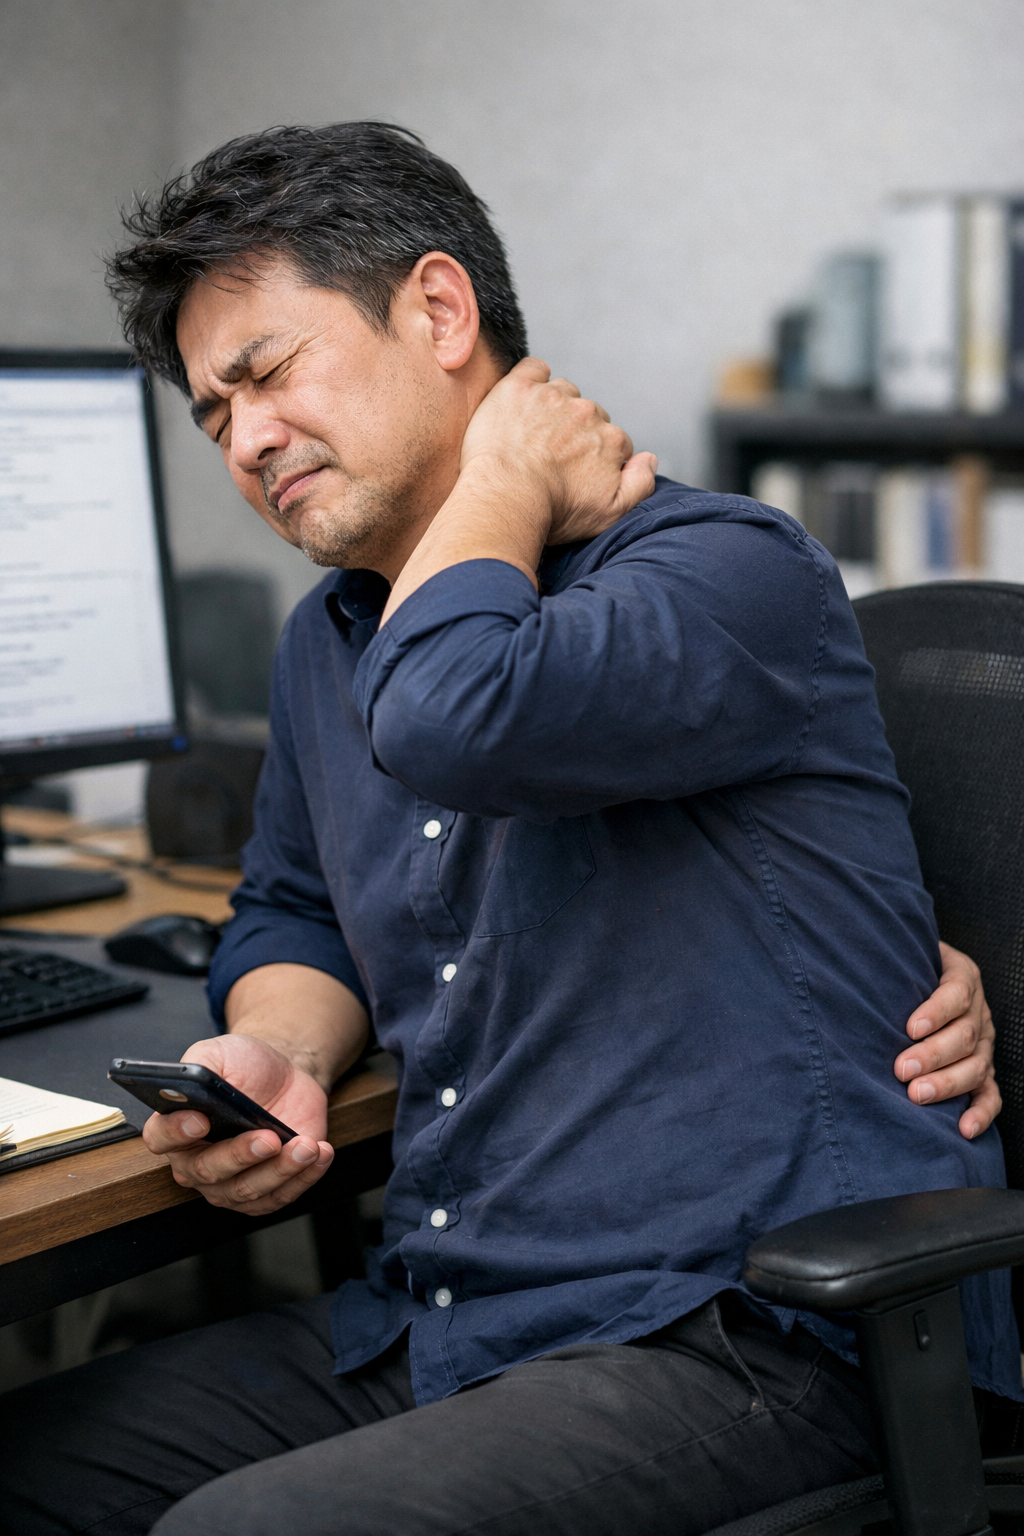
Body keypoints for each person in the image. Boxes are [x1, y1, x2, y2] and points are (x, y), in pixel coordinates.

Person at [0, 123, 1014, 1536]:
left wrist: (502, 477)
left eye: (264, 374)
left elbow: (455, 713)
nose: (243, 440)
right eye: (211, 416)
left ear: (438, 310)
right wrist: (282, 1054)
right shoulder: (327, 643)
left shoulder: (729, 570)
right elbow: (293, 909)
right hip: (456, 1314)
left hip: (751, 1334)